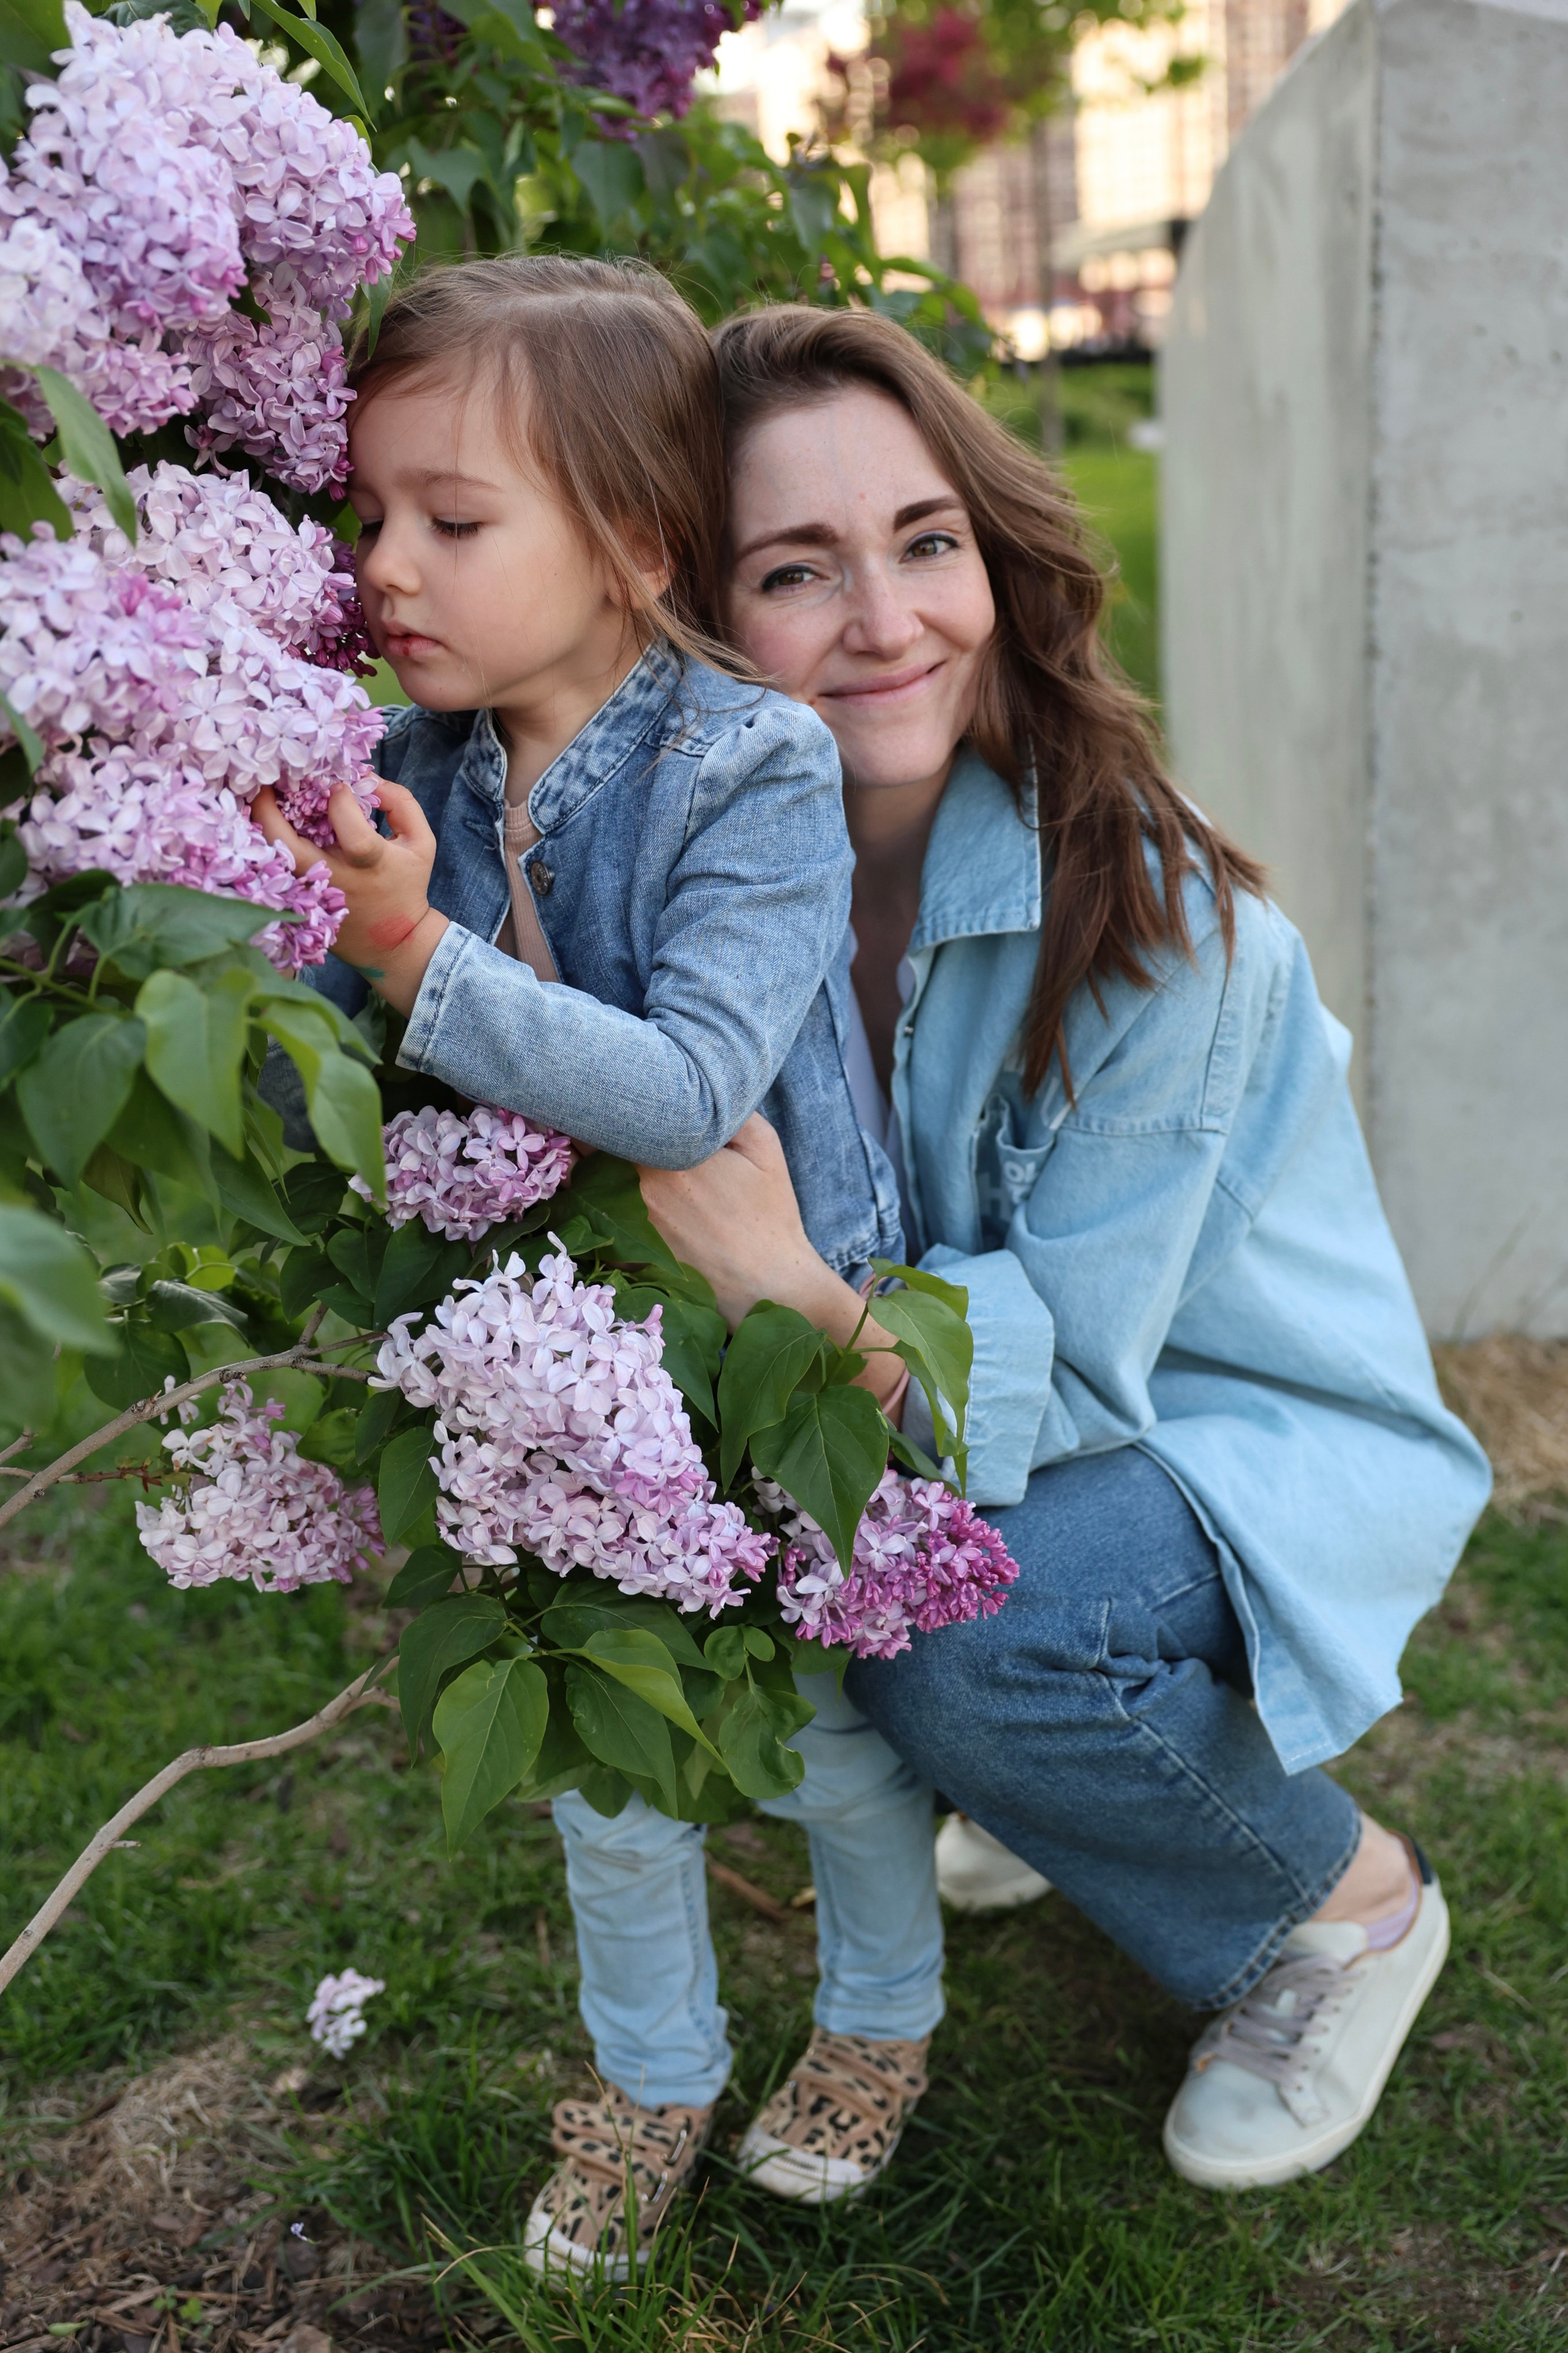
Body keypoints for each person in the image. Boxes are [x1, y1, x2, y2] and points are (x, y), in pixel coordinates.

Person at [629, 303, 1491, 2198]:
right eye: (796, 570)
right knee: (853, 1570)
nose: (888, 619)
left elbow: (1077, 1375)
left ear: (998, 564)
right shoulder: (734, 886)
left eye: (927, 542)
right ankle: (1065, 1772)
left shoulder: (1161, 922)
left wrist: (776, 1280)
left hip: (1225, 1430)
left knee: (948, 1623)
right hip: (995, 1408)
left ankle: (1347, 1902)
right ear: (692, 609)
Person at [253, 257, 948, 2280]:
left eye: (454, 522)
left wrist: (409, 958)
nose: (391, 563)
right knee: (602, 1767)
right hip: (550, 1374)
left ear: (635, 546)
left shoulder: (753, 764)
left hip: (764, 1341)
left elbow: (691, 1083)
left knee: (830, 1733)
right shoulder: (425, 755)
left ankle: (879, 2020)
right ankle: (653, 2071)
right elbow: (316, 1059)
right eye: (372, 514)